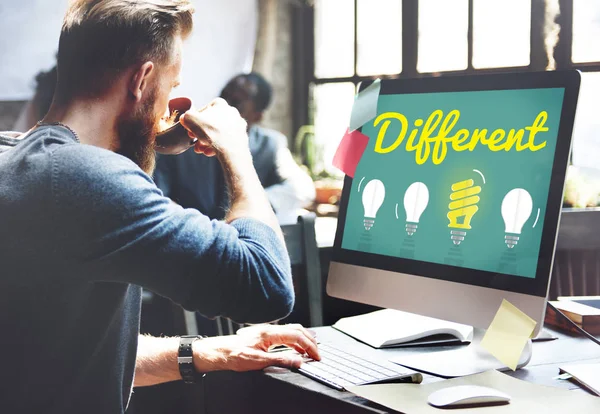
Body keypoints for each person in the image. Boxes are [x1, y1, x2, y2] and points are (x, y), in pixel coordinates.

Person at [0, 1, 319, 413]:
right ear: (142, 79)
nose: (168, 106)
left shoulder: (17, 157)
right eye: (171, 87)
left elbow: (64, 355)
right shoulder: (85, 177)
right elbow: (268, 285)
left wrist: (214, 351)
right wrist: (236, 151)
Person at [154, 72, 315, 223]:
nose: (224, 105)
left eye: (236, 102)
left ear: (257, 116)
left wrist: (250, 207)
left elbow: (302, 189)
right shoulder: (182, 141)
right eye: (223, 95)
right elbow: (157, 196)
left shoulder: (270, 145)